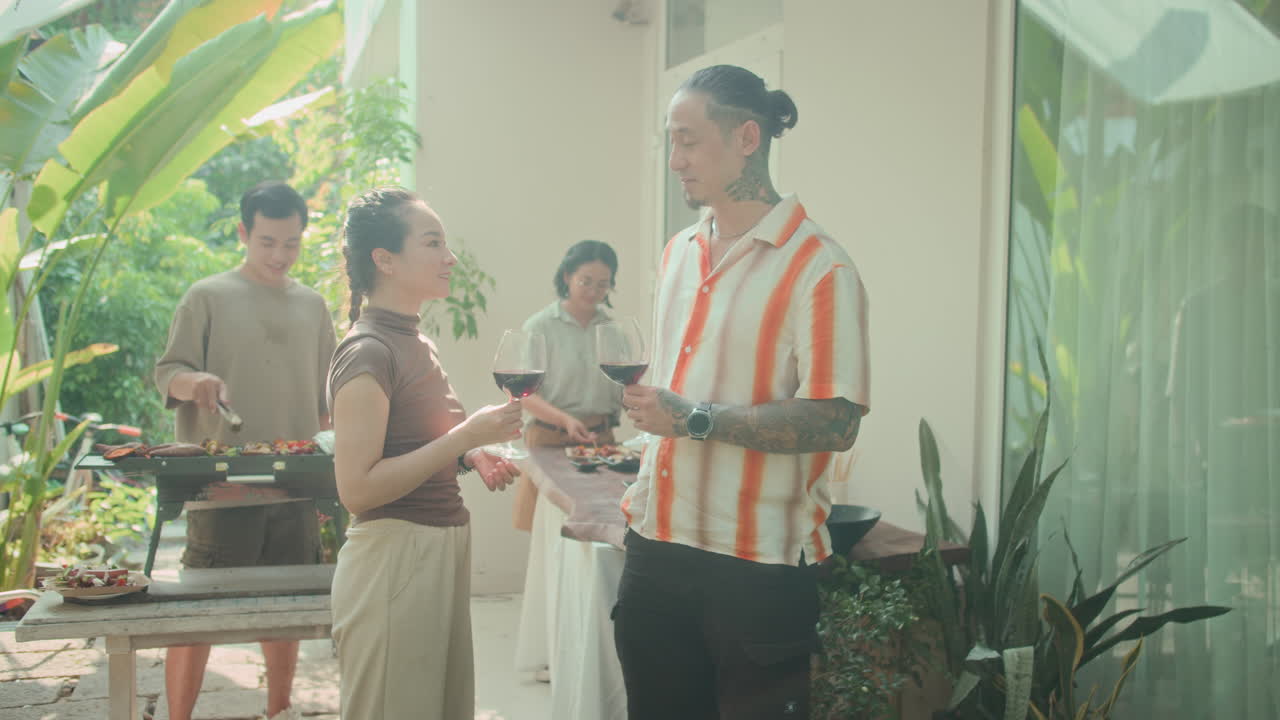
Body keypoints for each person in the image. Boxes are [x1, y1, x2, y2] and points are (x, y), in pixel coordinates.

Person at [614, 65, 871, 719]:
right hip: (655, 548)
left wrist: (693, 418)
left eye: (688, 140)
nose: (675, 160)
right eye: (670, 141)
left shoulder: (821, 268)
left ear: (747, 138)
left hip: (757, 569)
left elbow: (835, 422)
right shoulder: (678, 252)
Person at [326, 186, 522, 719]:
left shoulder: (415, 341)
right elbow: (357, 490)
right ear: (384, 259)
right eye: (433, 243)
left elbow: (413, 445)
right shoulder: (369, 351)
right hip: (394, 563)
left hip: (435, 553)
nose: (450, 257)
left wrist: (468, 457)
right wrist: (465, 438)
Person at [154, 181, 337, 720]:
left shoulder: (312, 305)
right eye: (267, 242)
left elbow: (328, 401)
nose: (280, 255)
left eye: (291, 243)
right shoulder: (207, 296)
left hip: (296, 482)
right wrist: (197, 382)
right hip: (222, 482)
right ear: (242, 233)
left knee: (287, 607)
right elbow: (168, 372)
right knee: (198, 609)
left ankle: (279, 710)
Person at [510, 240, 625, 533]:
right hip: (550, 440)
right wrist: (565, 420)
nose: (593, 291)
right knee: (551, 535)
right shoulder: (540, 327)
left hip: (601, 442)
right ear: (567, 277)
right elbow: (524, 394)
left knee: (600, 531)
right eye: (586, 281)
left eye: (603, 284)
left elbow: (622, 388)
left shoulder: (613, 331)